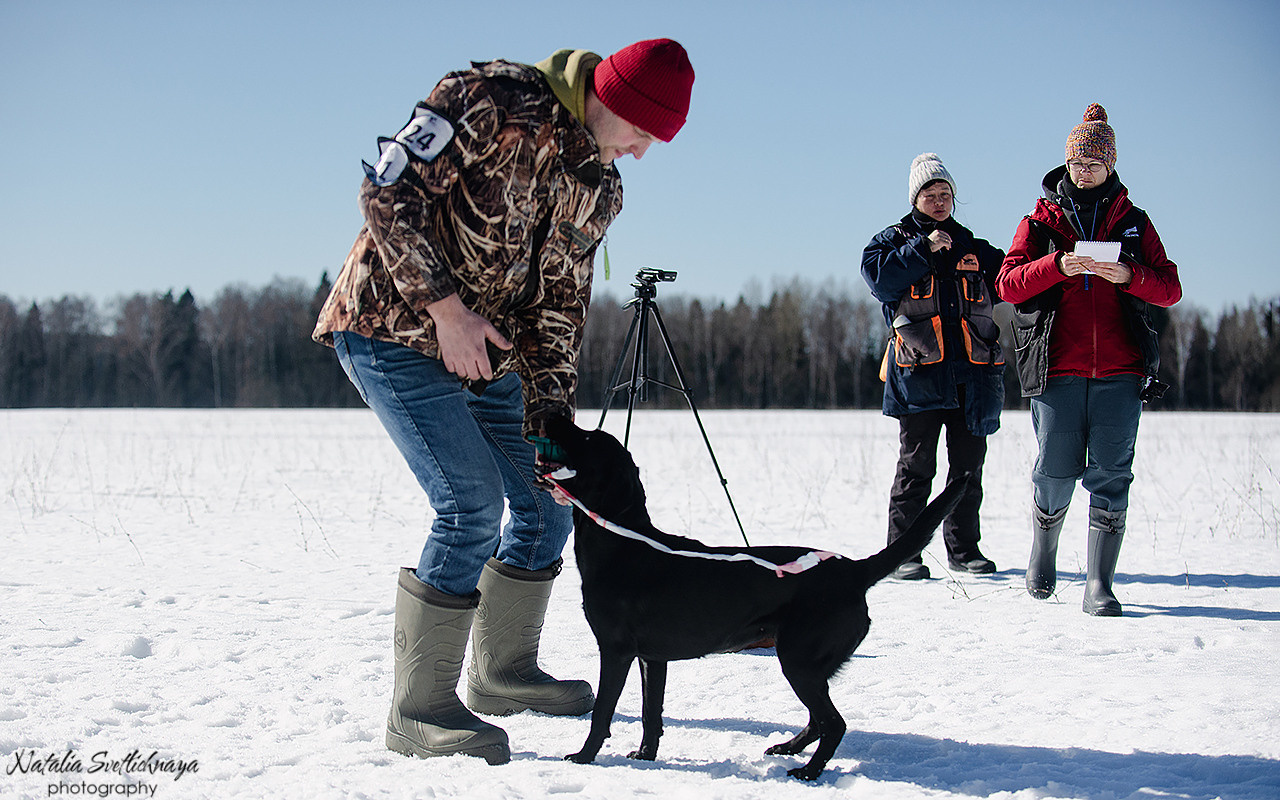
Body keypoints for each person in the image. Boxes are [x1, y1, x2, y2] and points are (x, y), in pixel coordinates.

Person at [312, 39, 694, 764]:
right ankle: (418, 710)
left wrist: (552, 423)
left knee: (551, 495)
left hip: (490, 353)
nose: (642, 153)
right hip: (394, 326)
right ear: (613, 100)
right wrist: (446, 311)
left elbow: (558, 306)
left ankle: (504, 673)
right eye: (643, 133)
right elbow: (387, 193)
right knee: (469, 504)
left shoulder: (601, 186)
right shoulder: (487, 99)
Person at [996, 104, 1181, 616]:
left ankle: (1099, 584)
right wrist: (1057, 264)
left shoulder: (1135, 222)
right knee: (1054, 470)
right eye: (1077, 162)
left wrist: (1130, 277)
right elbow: (1008, 283)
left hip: (1121, 372)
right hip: (1057, 369)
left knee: (1111, 471)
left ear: (1111, 164)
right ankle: (1044, 549)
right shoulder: (1040, 220)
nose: (1084, 171)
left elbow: (1170, 288)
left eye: (1093, 163)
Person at [862, 153, 1006, 581]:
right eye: (931, 194)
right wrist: (922, 249)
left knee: (967, 470)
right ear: (915, 198)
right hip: (919, 375)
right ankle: (902, 555)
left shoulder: (973, 246)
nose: (939, 201)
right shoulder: (890, 243)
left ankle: (964, 550)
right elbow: (878, 279)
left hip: (971, 377)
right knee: (916, 468)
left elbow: (1013, 277)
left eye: (946, 194)